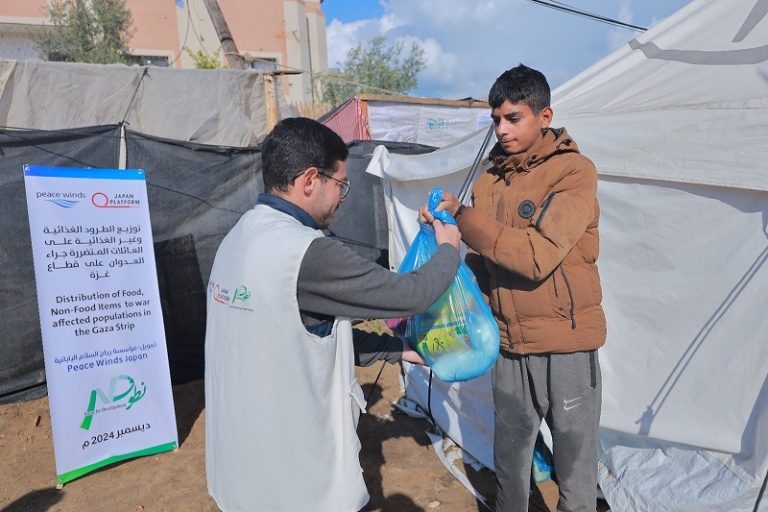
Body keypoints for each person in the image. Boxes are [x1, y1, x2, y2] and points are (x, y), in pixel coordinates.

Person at [204, 117, 462, 512]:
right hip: (293, 483)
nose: (343, 196)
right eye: (340, 184)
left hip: (241, 469)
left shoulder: (241, 235)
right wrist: (448, 248)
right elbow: (411, 295)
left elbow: (304, 333)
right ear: (310, 180)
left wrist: (395, 350)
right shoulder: (306, 253)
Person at [426, 64, 606, 512]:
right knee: (509, 462)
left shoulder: (574, 173)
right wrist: (446, 240)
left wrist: (465, 219)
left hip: (565, 345)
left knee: (574, 467)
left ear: (545, 116)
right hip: (507, 344)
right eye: (495, 120)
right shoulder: (488, 181)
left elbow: (535, 256)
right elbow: (488, 261)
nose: (501, 130)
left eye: (513, 118)